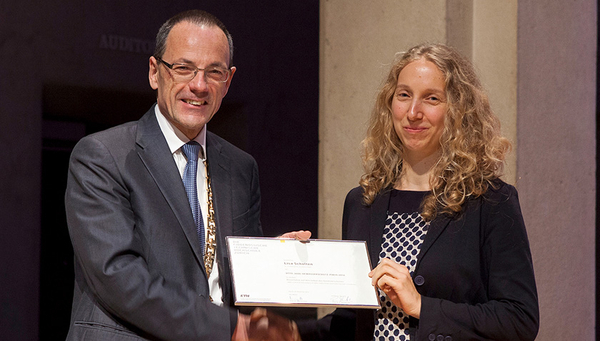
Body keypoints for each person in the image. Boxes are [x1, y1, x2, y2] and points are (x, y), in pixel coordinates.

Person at [65, 9, 307, 341]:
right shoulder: (103, 156)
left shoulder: (240, 167)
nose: (199, 85)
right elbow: (118, 277)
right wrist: (230, 327)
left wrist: (276, 263)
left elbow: (233, 280)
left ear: (228, 81)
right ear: (154, 72)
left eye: (214, 72)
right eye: (183, 68)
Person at [296, 43, 539, 340]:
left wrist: (422, 306)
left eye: (431, 99)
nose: (413, 112)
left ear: (458, 110)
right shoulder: (362, 202)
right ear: (390, 104)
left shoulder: (490, 201)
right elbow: (356, 318)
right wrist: (294, 332)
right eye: (404, 95)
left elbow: (520, 320)